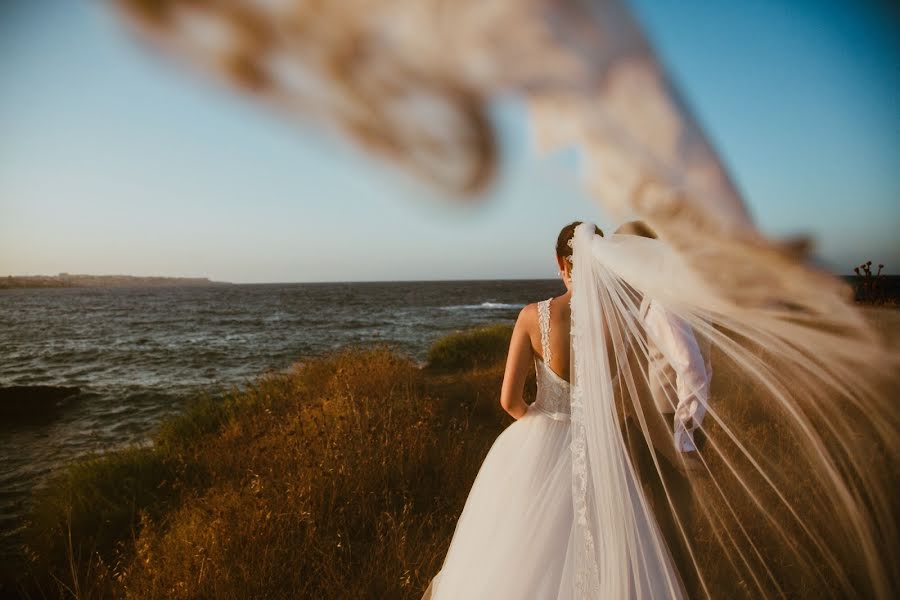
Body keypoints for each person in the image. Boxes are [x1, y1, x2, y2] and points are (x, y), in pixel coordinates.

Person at [422, 221, 685, 599]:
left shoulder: (534, 316)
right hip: (600, 447)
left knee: (518, 555)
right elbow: (632, 399)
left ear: (561, 262)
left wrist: (539, 425)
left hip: (541, 438)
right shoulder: (626, 324)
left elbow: (509, 400)